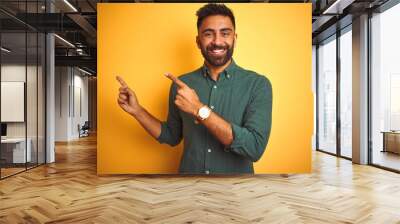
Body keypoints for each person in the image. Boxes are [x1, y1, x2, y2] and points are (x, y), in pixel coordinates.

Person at [117, 3, 272, 174]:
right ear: (198, 41)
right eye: (208, 34)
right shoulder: (182, 85)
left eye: (225, 33)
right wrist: (137, 111)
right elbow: (171, 136)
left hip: (236, 192)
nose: (217, 41)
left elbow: (254, 148)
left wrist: (199, 109)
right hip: (189, 187)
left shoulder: (258, 85)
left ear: (234, 38)